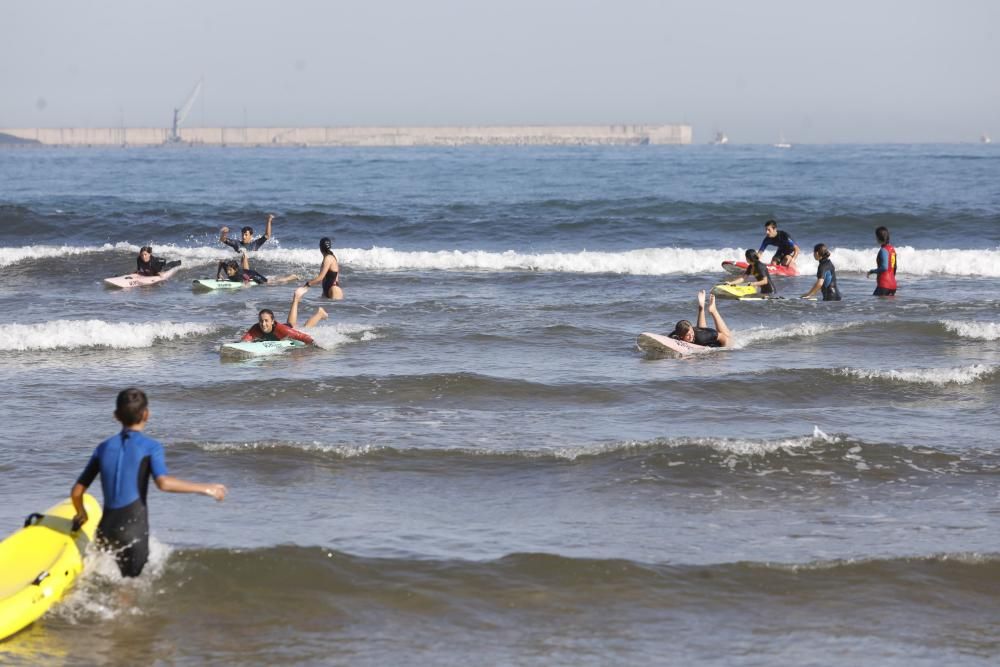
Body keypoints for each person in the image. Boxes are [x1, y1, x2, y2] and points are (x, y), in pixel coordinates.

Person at [70, 388, 227, 578]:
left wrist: (81, 514)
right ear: (146, 414)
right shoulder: (151, 447)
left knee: (107, 576)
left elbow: (77, 491)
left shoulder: (103, 447)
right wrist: (207, 488)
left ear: (116, 415)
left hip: (106, 529)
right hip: (132, 530)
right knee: (130, 587)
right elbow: (164, 483)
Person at [241, 286, 328, 344]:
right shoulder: (256, 328)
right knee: (291, 324)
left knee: (305, 328)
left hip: (285, 329)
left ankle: (320, 313)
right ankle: (296, 298)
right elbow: (245, 340)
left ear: (272, 321)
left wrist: (315, 345)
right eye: (261, 321)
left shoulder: (281, 329)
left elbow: (302, 336)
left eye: (266, 321)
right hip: (285, 328)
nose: (263, 324)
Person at [668, 290, 733, 347]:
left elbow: (724, 339)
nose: (691, 336)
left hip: (718, 341)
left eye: (691, 333)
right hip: (702, 334)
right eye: (688, 335)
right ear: (681, 336)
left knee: (729, 337)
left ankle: (714, 310)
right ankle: (701, 308)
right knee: (701, 332)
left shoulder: (703, 336)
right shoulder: (676, 334)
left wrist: (723, 353)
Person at [216, 252, 298, 285]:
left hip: (253, 275)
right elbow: (221, 262)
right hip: (246, 271)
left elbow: (247, 278)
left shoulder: (239, 275)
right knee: (246, 270)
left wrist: (245, 284)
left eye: (230, 270)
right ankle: (244, 256)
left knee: (269, 282)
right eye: (227, 269)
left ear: (235, 270)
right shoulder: (228, 269)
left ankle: (291, 277)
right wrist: (218, 273)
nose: (228, 271)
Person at [867, 226, 898, 296]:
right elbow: (895, 267)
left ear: (879, 238)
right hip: (893, 285)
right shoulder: (892, 250)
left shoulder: (883, 250)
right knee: (886, 307)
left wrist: (872, 271)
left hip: (884, 285)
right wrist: (892, 281)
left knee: (875, 304)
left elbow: (884, 267)